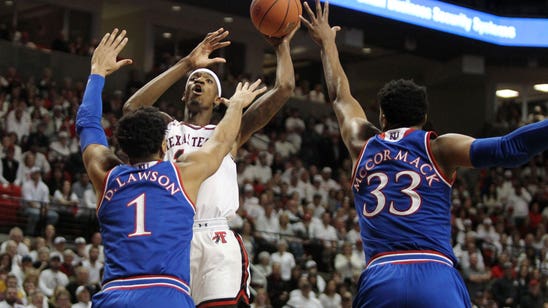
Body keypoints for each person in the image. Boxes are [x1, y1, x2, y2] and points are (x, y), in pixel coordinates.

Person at [300, 0, 548, 306]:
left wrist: (327, 43)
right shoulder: (439, 147)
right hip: (434, 275)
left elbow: (339, 94)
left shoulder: (360, 142)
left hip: (381, 274)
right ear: (424, 118)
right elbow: (510, 148)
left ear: (382, 118)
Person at [76, 28, 266, 307]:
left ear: (122, 146)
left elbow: (87, 123)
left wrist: (97, 74)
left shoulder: (105, 175)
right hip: (166, 294)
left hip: (114, 294)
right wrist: (236, 105)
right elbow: (222, 140)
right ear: (165, 146)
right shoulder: (180, 174)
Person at [123, 25, 297, 306]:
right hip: (174, 234)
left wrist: (282, 45)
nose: (198, 82)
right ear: (184, 94)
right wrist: (186, 64)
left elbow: (285, 88)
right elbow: (132, 109)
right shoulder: (166, 127)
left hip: (216, 237)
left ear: (219, 99)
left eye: (206, 79)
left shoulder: (230, 132)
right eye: (194, 79)